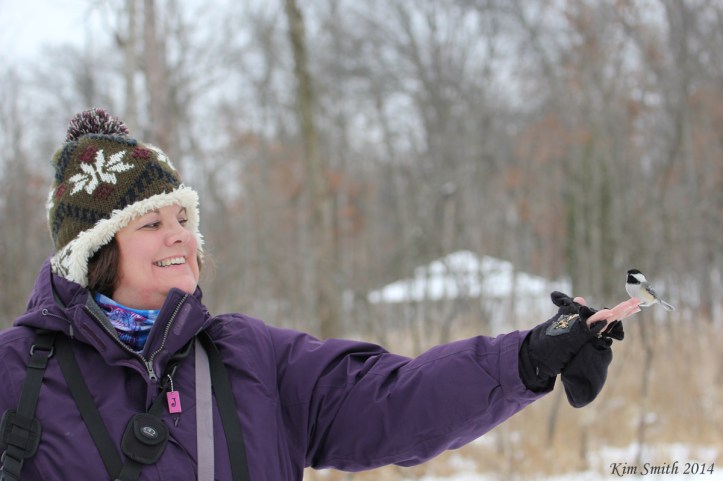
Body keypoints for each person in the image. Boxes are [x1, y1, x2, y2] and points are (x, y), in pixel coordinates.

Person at [0, 109, 641, 481]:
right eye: (152, 223)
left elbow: (395, 400)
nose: (181, 239)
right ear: (97, 250)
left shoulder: (251, 359)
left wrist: (525, 359)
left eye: (185, 221)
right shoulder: (17, 374)